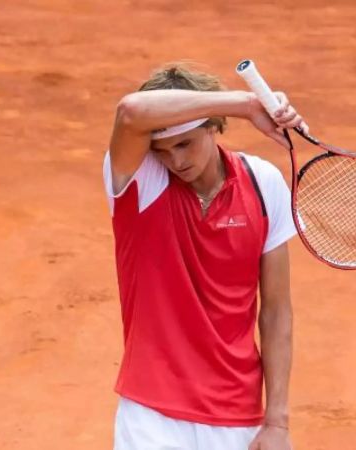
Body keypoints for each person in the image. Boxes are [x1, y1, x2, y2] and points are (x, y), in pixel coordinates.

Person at [103, 62, 305, 450]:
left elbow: (277, 310)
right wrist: (246, 104)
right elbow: (130, 112)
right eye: (161, 151)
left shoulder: (263, 184)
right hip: (151, 415)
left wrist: (277, 421)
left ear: (213, 126)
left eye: (184, 144)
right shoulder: (140, 181)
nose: (175, 162)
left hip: (235, 415)